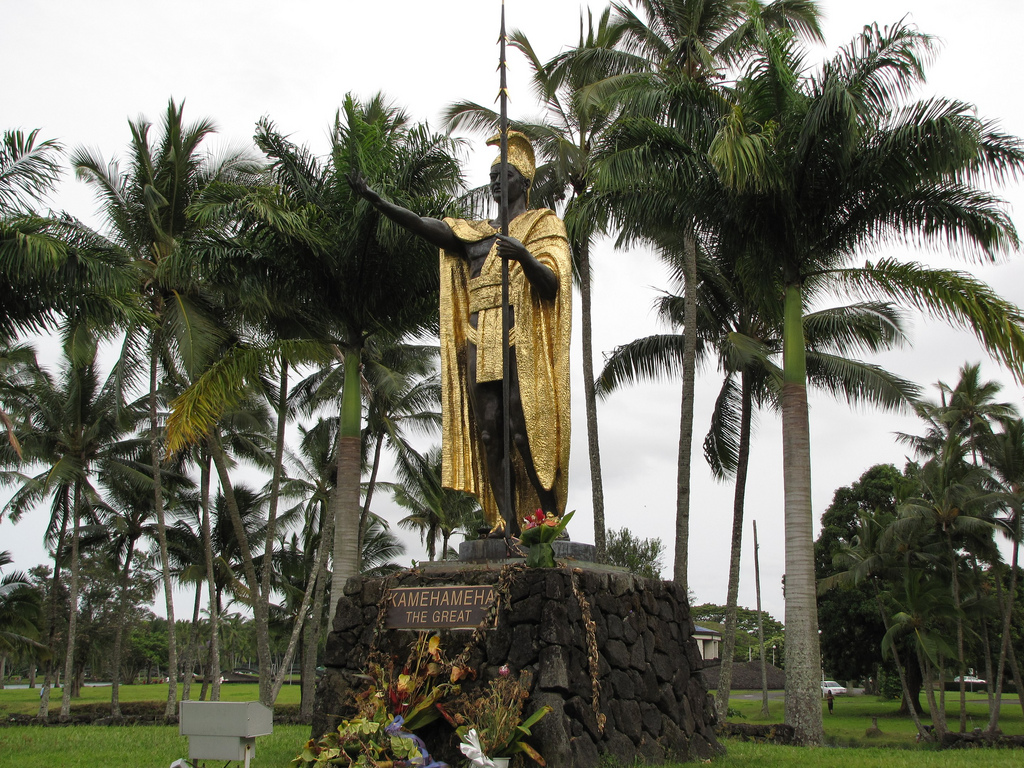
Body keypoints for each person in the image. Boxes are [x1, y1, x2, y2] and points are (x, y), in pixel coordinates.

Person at [349, 131, 571, 536]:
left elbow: (553, 284)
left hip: (518, 339)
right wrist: (378, 201)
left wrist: (522, 254)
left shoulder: (543, 225)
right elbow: (422, 225)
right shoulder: (474, 234)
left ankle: (548, 517)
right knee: (490, 432)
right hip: (477, 336)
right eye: (492, 175)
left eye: (504, 173)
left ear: (524, 180)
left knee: (523, 430)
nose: (496, 182)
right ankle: (506, 521)